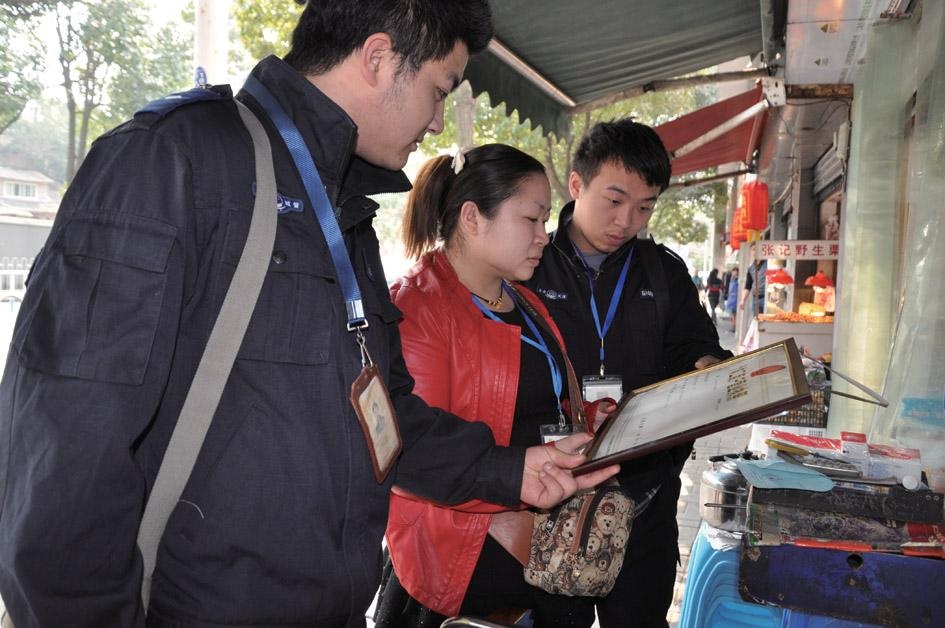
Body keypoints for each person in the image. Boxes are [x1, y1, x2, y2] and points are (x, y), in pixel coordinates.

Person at [0, 4, 616, 626]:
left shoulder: (344, 215)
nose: (435, 121)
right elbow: (62, 472)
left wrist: (512, 470)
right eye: (438, 91)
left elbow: (386, 419)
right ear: (378, 60)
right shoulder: (174, 163)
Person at [374, 144, 613, 627]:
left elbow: (538, 408)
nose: (544, 237)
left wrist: (591, 424)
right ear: (471, 217)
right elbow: (418, 454)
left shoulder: (524, 302)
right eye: (530, 219)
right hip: (467, 559)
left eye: (545, 221)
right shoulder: (417, 311)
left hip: (543, 542)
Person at [525, 119, 731, 627]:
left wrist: (709, 369)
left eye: (644, 206)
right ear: (576, 185)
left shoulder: (662, 271)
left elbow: (696, 347)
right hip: (551, 497)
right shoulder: (530, 262)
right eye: (614, 200)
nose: (626, 221)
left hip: (645, 495)